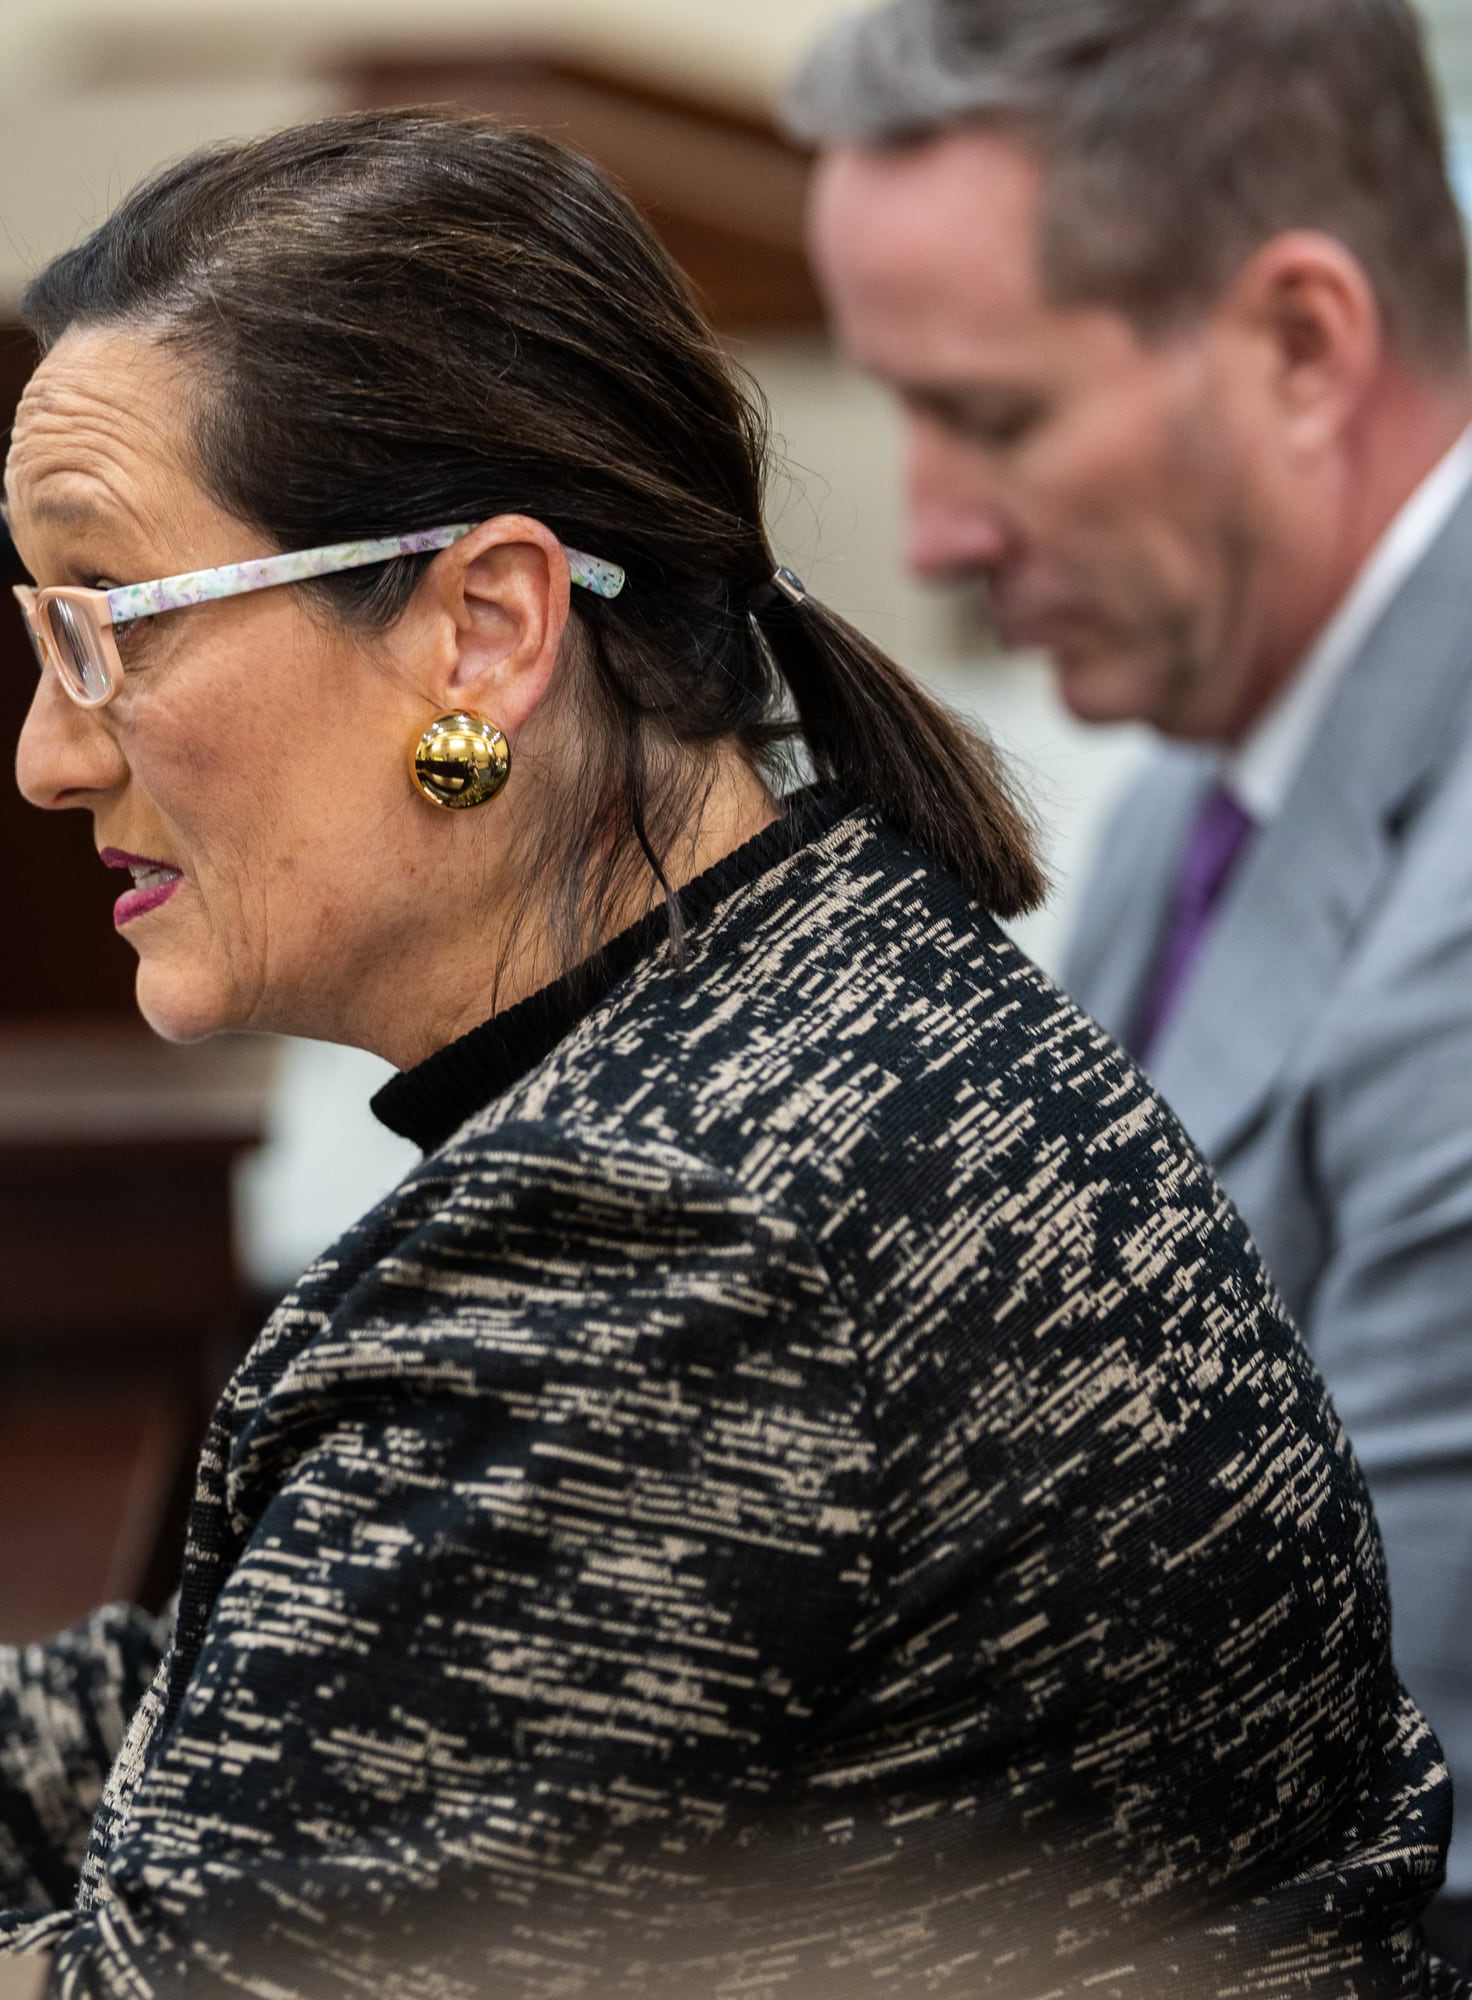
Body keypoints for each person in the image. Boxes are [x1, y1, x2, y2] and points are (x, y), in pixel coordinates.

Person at [0, 110, 1460, 1992]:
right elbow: (255, 1721)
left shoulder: (659, 1242)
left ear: (485, 629)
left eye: (109, 629)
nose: (40, 755)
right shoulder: (809, 1008)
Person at [786, 0, 1472, 1954]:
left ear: (1300, 345)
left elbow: (1378, 1776)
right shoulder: (1208, 741)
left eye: (992, 418)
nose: (929, 528)